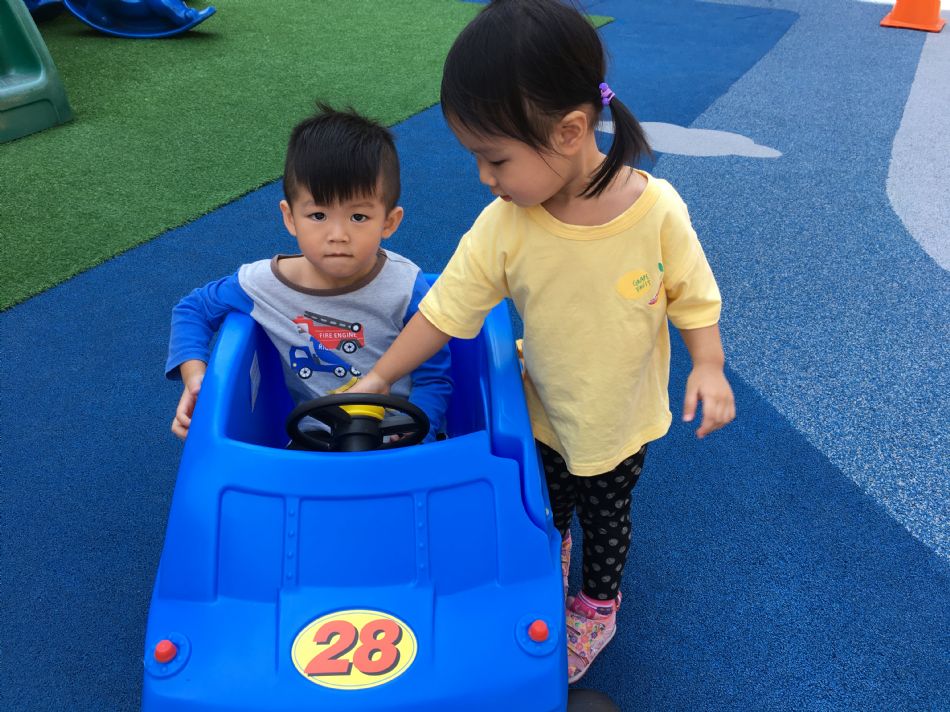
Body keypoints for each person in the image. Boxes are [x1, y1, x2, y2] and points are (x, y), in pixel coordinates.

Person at [349, 0, 735, 682]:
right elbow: (446, 310)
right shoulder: (506, 224)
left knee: (606, 517)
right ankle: (546, 558)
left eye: (495, 158)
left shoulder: (656, 211)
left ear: (570, 131)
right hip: (544, 407)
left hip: (619, 419)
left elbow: (694, 295)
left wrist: (709, 363)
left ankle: (598, 606)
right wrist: (380, 378)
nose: (484, 177)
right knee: (545, 502)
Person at [166, 105, 452, 444]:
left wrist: (418, 438)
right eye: (318, 215)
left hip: (400, 434)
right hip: (316, 440)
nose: (338, 235)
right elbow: (193, 308)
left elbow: (433, 378)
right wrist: (196, 378)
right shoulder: (264, 284)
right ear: (290, 218)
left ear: (389, 222)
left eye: (358, 217)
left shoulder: (404, 287)